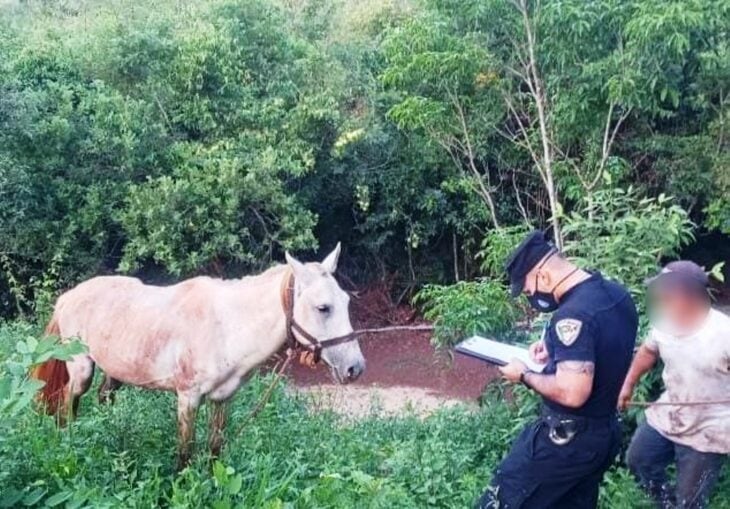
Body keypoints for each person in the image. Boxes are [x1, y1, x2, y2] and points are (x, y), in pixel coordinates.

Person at [475, 230, 638, 509]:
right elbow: (608, 348)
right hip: (603, 435)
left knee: (498, 502)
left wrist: (524, 375)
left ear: (544, 276)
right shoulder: (616, 295)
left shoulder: (573, 315)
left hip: (566, 441)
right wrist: (555, 351)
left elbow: (573, 392)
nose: (531, 297)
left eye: (528, 290)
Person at [618, 261, 729, 509]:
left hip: (710, 429)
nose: (660, 298)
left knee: (690, 502)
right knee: (639, 460)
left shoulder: (723, 333)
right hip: (671, 412)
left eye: (665, 292)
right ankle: (667, 504)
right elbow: (648, 351)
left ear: (687, 294)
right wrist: (628, 386)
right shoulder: (665, 322)